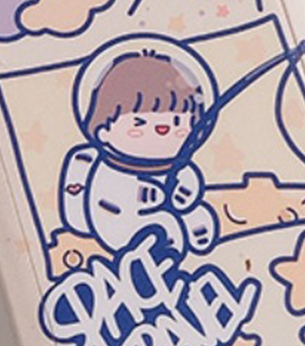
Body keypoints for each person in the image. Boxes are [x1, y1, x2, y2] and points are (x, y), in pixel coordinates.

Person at [60, 38, 219, 256]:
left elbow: (188, 183)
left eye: (177, 122)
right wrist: (144, 195)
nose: (162, 129)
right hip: (119, 221)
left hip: (169, 213)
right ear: (103, 130)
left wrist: (183, 194)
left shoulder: (180, 166)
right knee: (163, 223)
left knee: (195, 214)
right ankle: (166, 247)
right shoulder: (108, 171)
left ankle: (192, 232)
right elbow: (111, 197)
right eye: (139, 122)